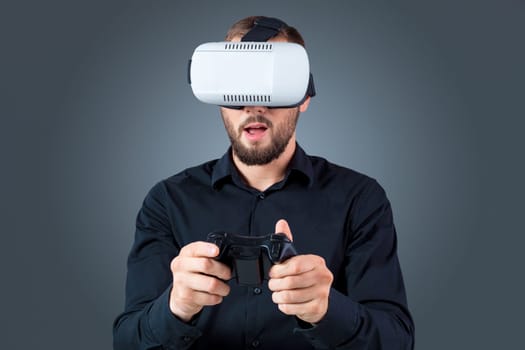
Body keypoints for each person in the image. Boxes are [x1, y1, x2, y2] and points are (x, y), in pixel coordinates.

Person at [113, 16, 414, 350]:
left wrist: (328, 311)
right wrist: (175, 308)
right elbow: (127, 341)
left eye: (272, 84)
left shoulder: (360, 199)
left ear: (304, 96)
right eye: (237, 84)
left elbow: (397, 340)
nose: (253, 106)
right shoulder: (167, 201)